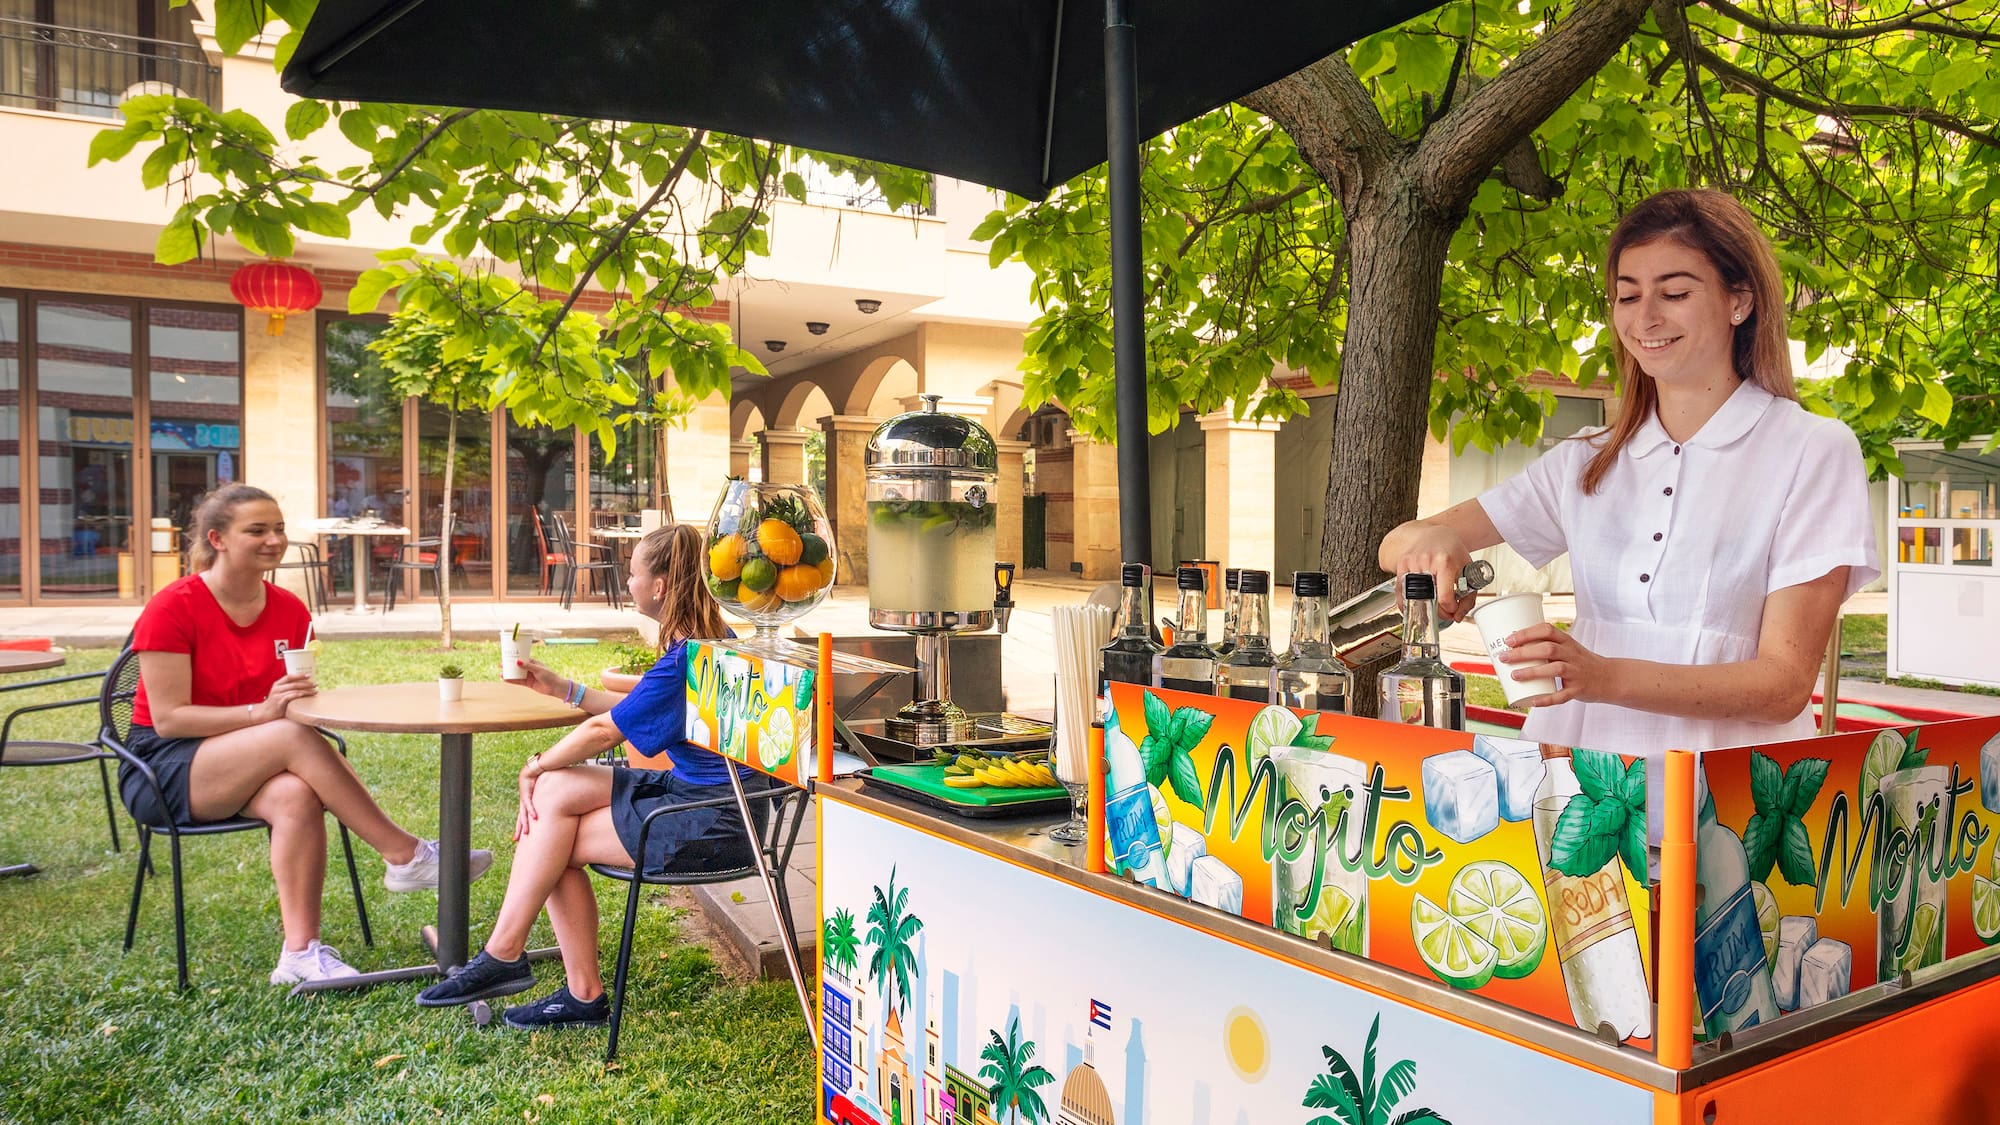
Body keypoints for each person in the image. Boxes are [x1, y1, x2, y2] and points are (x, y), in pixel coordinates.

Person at [1378, 189, 1878, 829]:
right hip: (1577, 784)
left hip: (1726, 795)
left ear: (1739, 301)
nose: (1645, 317)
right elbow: (1400, 541)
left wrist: (1599, 674)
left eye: (1674, 292)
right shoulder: (1589, 457)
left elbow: (1783, 683)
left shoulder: (1810, 449)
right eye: (1626, 294)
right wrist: (1437, 547)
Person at [122, 484, 494, 985]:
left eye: (278, 528)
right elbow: (169, 719)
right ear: (218, 539)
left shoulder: (289, 611)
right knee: (290, 737)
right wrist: (262, 714)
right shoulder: (174, 606)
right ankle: (404, 854)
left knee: (296, 793)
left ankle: (300, 953)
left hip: (249, 757)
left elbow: (287, 701)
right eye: (256, 530)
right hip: (165, 766)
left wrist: (295, 705)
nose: (273, 539)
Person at [415, 523, 763, 1029]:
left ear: (660, 586)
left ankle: (532, 969)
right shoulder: (707, 641)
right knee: (556, 796)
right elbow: (637, 707)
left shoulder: (690, 655)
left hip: (716, 821)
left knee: (551, 837)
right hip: (705, 795)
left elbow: (605, 732)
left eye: (633, 574)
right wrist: (566, 689)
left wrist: (534, 764)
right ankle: (514, 960)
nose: (628, 584)